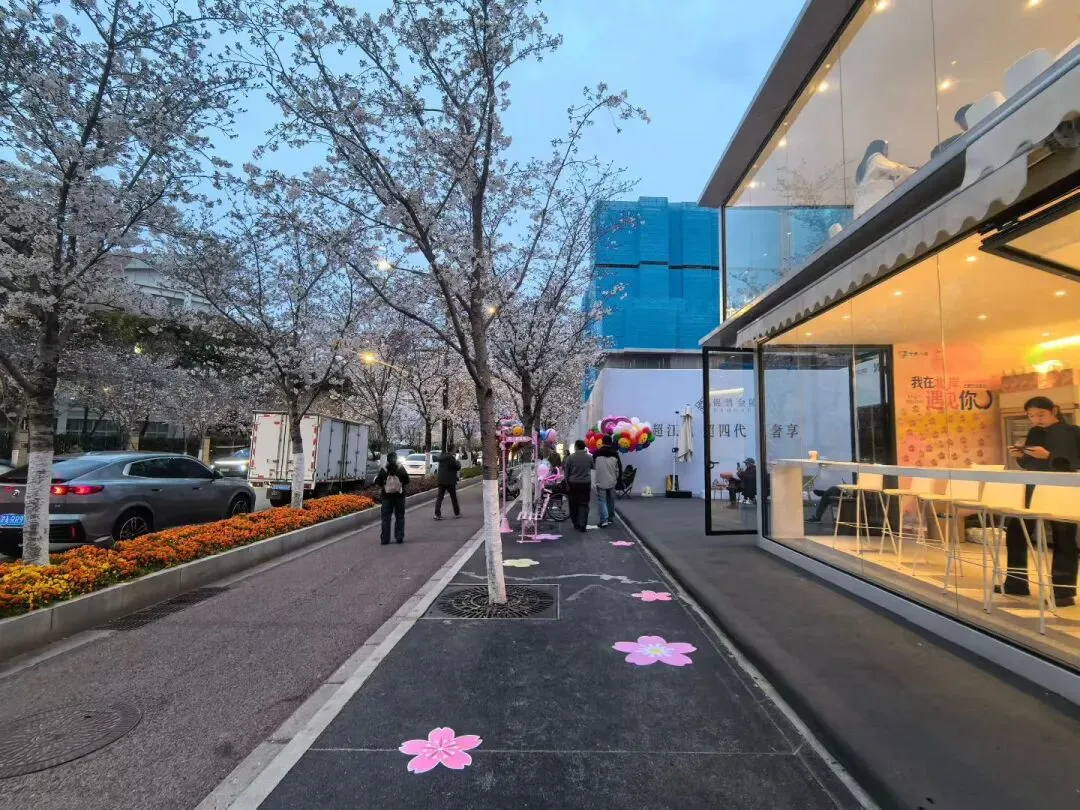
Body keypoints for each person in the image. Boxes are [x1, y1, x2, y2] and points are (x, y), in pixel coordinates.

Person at [998, 396, 1080, 606]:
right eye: (1031, 416)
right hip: (1033, 489)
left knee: (1064, 538)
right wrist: (1021, 456)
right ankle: (1016, 582)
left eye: (1040, 415)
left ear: (1054, 411)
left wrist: (1048, 457)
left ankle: (1063, 593)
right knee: (1016, 531)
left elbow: (1071, 464)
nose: (1036, 420)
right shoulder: (1034, 432)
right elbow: (1029, 465)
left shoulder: (1072, 432)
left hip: (1062, 491)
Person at [375, 451, 410, 544]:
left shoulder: (384, 469)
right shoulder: (401, 468)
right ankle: (399, 537)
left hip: (386, 497)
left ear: (387, 459)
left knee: (386, 518)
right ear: (396, 458)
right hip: (399, 496)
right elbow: (407, 480)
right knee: (400, 516)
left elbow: (378, 482)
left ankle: (385, 539)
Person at [563, 439, 594, 531]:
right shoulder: (589, 457)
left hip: (573, 484)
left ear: (576, 447)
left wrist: (567, 483)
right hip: (585, 483)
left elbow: (566, 472)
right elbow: (592, 467)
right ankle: (583, 524)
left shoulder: (570, 458)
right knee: (584, 504)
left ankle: (575, 522)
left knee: (574, 503)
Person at [593, 435, 622, 529]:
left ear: (602, 442)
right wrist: (617, 478)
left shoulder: (596, 453)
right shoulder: (615, 454)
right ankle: (610, 518)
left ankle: (604, 520)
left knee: (602, 500)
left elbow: (593, 465)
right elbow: (619, 469)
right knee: (611, 500)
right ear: (610, 442)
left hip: (600, 480)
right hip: (612, 481)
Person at [434, 450, 461, 520]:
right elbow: (457, 467)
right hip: (450, 481)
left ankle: (437, 514)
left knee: (439, 498)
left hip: (441, 480)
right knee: (453, 498)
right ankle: (457, 513)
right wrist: (458, 461)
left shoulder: (441, 458)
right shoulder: (451, 458)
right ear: (452, 450)